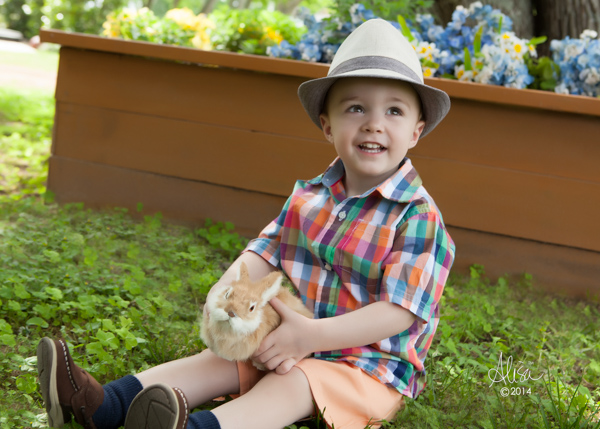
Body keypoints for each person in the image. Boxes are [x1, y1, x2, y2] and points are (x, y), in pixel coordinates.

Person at [37, 18, 455, 429]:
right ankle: (102, 405)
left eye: (394, 110)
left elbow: (398, 313)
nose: (374, 122)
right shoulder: (310, 196)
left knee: (290, 384)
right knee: (218, 360)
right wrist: (224, 290)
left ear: (416, 132)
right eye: (356, 107)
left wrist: (310, 337)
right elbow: (266, 251)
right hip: (290, 339)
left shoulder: (417, 216)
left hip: (365, 367)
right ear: (328, 126)